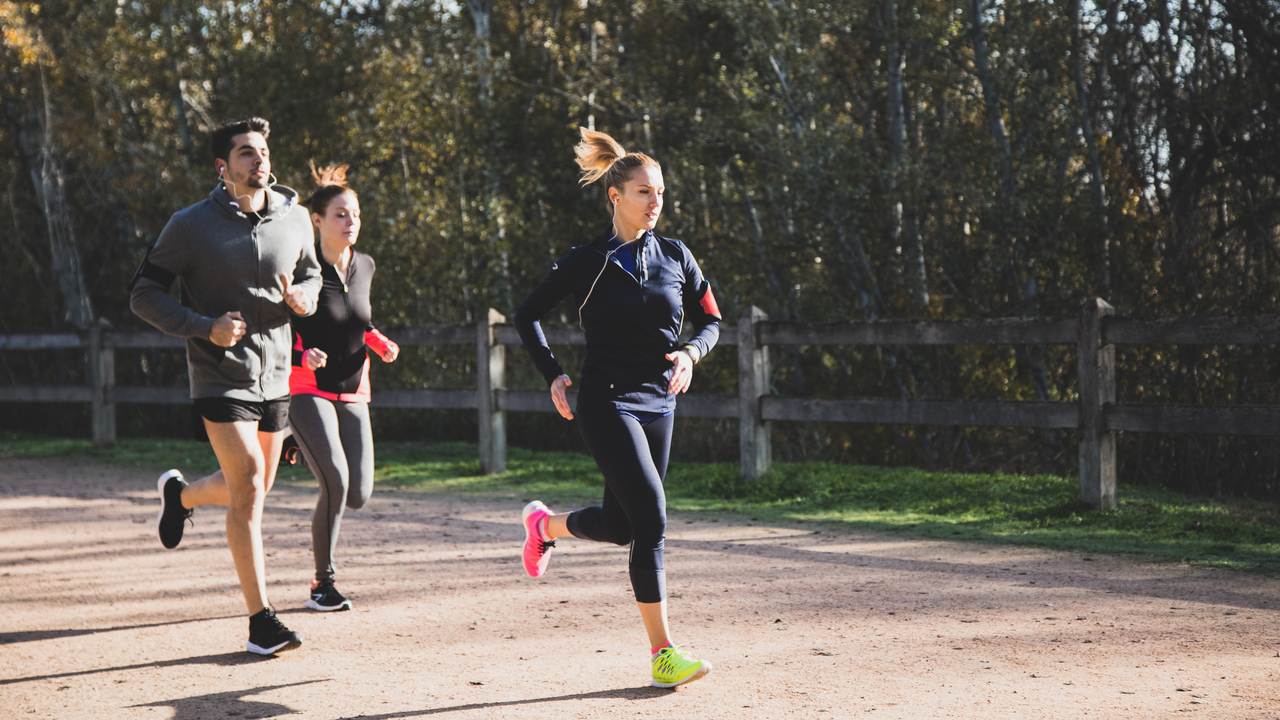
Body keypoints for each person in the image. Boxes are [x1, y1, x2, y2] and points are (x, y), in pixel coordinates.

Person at [513, 128, 722, 689]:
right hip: (606, 402)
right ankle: (663, 654)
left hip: (661, 402)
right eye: (644, 193)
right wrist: (553, 371)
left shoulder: (678, 255)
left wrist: (691, 353)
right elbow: (526, 314)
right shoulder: (587, 261)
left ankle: (544, 525)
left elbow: (712, 320)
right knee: (651, 516)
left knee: (623, 526)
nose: (655, 203)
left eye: (660, 194)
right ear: (615, 196)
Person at [130, 117, 321, 655]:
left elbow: (312, 275)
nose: (257, 160)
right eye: (244, 154)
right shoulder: (190, 225)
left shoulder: (296, 218)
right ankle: (262, 621)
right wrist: (202, 327)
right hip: (220, 373)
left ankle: (181, 494)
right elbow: (143, 294)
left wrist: (303, 297)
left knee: (254, 489)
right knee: (250, 481)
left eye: (261, 151)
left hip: (277, 374)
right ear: (223, 167)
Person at [289, 163, 399, 612]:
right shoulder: (300, 267)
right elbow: (279, 326)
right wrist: (301, 356)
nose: (350, 221)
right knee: (334, 480)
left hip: (354, 389)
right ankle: (322, 583)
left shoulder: (365, 265)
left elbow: (357, 320)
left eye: (354, 213)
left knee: (357, 494)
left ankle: (294, 443)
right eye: (339, 214)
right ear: (316, 220)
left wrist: (379, 341)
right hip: (306, 385)